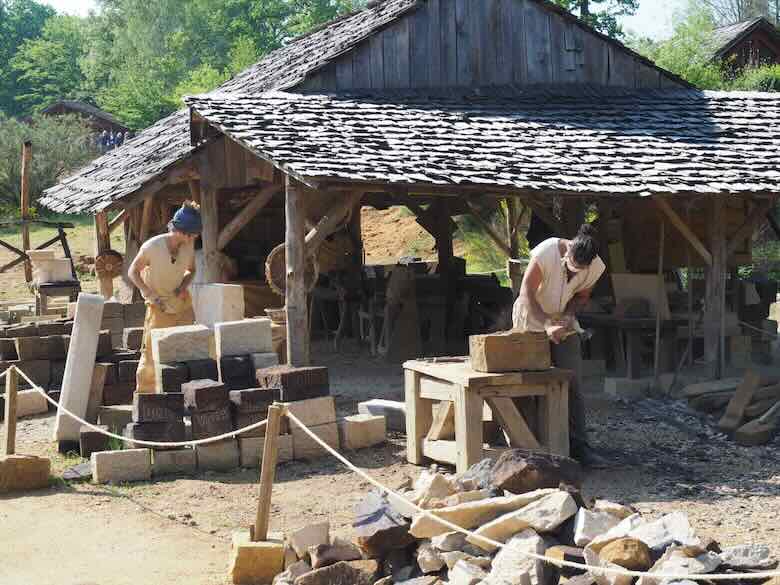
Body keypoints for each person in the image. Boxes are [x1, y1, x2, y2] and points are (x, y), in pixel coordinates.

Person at [511, 223, 605, 459]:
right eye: (572, 268)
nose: (574, 274)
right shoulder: (547, 251)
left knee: (572, 382)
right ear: (568, 250)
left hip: (561, 320)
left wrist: (568, 315)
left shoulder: (596, 267)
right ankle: (527, 447)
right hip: (531, 319)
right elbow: (526, 292)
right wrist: (545, 325)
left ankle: (579, 447)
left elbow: (582, 296)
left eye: (579, 271)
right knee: (528, 382)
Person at [128, 201, 201, 393]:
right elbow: (133, 272)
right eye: (193, 233)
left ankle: (187, 394)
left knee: (187, 351)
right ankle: (146, 397)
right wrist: (149, 293)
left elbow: (192, 270)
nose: (195, 237)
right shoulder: (152, 247)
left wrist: (183, 285)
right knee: (152, 355)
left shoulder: (188, 246)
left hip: (183, 307)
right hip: (159, 307)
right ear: (182, 231)